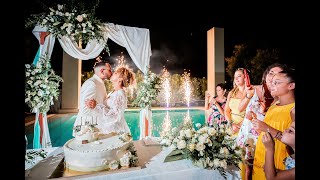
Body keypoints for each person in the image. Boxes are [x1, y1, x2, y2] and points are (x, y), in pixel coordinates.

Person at [236, 63, 288, 180]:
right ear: (265, 75)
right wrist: (249, 96)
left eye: (278, 74)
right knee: (248, 168)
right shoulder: (252, 89)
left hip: (265, 135)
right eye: (271, 73)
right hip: (249, 132)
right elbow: (240, 108)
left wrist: (261, 114)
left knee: (264, 166)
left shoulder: (279, 94)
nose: (273, 77)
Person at [252, 68, 295, 180]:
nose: (272, 84)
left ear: (291, 86)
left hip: (278, 162)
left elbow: (292, 140)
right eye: (272, 81)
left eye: (277, 82)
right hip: (262, 159)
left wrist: (267, 128)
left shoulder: (293, 110)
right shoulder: (274, 105)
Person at [86, 66, 136, 134]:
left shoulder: (120, 94)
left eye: (115, 73)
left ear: (120, 80)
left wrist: (97, 106)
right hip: (108, 128)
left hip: (115, 131)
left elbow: (114, 116)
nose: (112, 73)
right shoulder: (113, 92)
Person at [72, 62, 113, 136]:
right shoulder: (92, 84)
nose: (112, 72)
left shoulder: (100, 82)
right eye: (110, 70)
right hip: (87, 127)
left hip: (96, 124)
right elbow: (85, 109)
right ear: (102, 71)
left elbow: (101, 102)